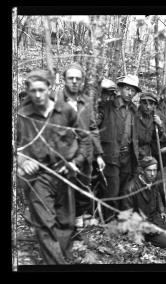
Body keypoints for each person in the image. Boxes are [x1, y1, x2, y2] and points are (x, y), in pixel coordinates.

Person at [17, 69, 90, 264]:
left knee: (65, 222)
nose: (37, 95)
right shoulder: (23, 115)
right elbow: (18, 147)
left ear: (50, 88)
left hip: (64, 173)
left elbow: (85, 140)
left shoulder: (66, 111)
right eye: (33, 91)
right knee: (44, 224)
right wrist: (23, 161)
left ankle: (62, 256)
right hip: (38, 177)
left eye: (41, 90)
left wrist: (76, 162)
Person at [56, 62, 105, 224]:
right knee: (63, 191)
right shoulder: (54, 100)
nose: (75, 81)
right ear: (64, 80)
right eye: (71, 78)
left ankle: (77, 221)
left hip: (85, 155)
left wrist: (98, 155)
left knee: (83, 189)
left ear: (82, 81)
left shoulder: (86, 102)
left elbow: (92, 128)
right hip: (63, 155)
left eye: (78, 78)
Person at [97, 74, 142, 220]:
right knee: (112, 190)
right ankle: (109, 221)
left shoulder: (135, 110)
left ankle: (120, 219)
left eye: (133, 91)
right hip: (110, 154)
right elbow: (93, 128)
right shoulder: (107, 106)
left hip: (128, 155)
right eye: (127, 89)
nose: (130, 93)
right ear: (120, 89)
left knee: (124, 189)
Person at [121, 156, 166, 249]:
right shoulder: (130, 188)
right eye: (149, 170)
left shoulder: (153, 182)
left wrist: (162, 212)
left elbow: (158, 197)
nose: (152, 174)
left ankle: (163, 233)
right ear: (142, 171)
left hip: (154, 219)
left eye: (155, 170)